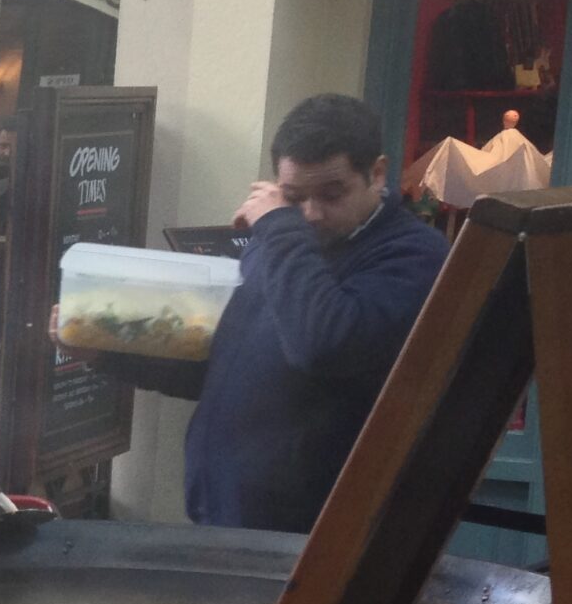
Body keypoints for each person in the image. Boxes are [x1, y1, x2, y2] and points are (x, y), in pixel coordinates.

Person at [112, 94, 449, 533]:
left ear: (377, 173)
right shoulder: (280, 243)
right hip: (224, 514)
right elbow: (217, 365)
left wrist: (278, 226)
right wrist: (107, 350)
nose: (310, 214)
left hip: (319, 531)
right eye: (293, 197)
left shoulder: (413, 256)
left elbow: (325, 345)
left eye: (332, 194)